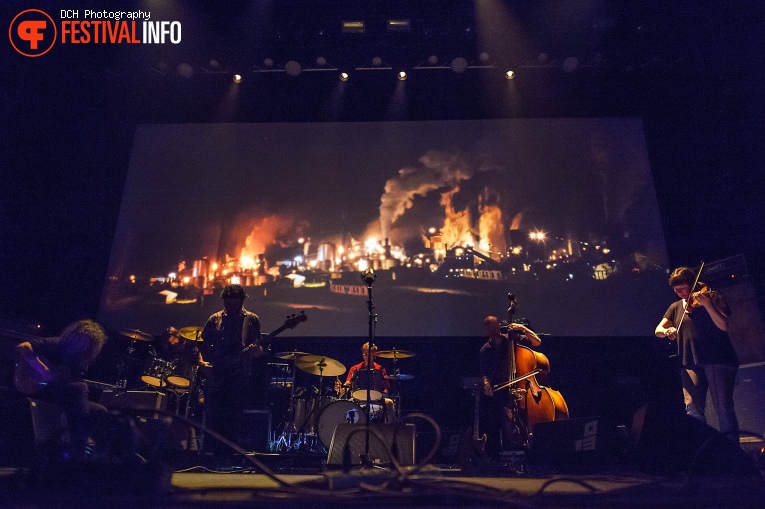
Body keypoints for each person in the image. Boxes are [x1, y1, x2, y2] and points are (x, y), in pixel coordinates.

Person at [655, 266, 739, 442]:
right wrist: (667, 330)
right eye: (676, 290)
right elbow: (658, 330)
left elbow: (723, 325)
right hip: (689, 362)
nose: (679, 293)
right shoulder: (676, 307)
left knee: (723, 408)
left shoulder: (712, 296)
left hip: (716, 358)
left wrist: (708, 304)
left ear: (692, 284)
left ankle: (732, 454)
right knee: (692, 410)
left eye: (683, 288)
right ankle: (700, 452)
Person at [15, 319, 109, 459]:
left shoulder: (82, 361)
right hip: (40, 391)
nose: (84, 345)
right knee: (80, 388)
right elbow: (23, 347)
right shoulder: (58, 343)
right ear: (74, 336)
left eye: (89, 343)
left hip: (59, 395)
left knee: (101, 410)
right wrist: (44, 371)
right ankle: (79, 447)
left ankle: (83, 446)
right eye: (83, 340)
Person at [200, 284, 263, 460]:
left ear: (241, 301)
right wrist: (202, 364)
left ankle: (230, 456)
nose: (230, 306)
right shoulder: (215, 319)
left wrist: (256, 351)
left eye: (233, 302)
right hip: (217, 373)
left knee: (234, 416)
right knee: (214, 416)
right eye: (227, 302)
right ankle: (214, 456)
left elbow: (258, 348)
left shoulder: (251, 319)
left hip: (238, 375)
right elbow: (202, 344)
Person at [478, 315, 542, 455]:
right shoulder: (485, 350)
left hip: (519, 384)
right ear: (486, 329)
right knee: (496, 421)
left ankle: (531, 449)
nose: (491, 329)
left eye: (494, 325)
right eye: (488, 326)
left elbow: (536, 342)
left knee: (524, 418)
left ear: (499, 325)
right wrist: (486, 383)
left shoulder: (511, 339)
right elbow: (484, 373)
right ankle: (497, 454)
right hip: (500, 389)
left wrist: (523, 329)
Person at [335, 342, 395, 423]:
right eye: (364, 353)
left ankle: (388, 429)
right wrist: (340, 389)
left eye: (369, 354)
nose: (366, 356)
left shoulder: (381, 369)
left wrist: (380, 394)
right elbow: (347, 386)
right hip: (358, 398)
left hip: (376, 398)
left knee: (389, 403)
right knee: (346, 403)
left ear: (374, 355)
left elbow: (386, 390)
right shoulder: (355, 368)